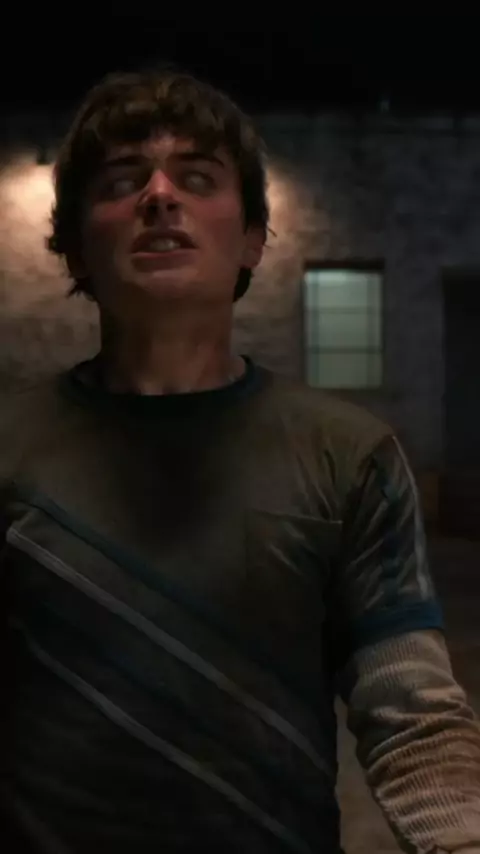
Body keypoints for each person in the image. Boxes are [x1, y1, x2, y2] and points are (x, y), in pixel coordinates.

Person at [0, 68, 479, 854]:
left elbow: (412, 712)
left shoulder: (348, 456)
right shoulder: (12, 445)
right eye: (121, 181)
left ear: (252, 238)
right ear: (75, 248)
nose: (159, 196)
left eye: (197, 178)